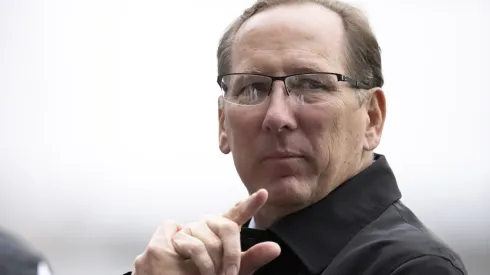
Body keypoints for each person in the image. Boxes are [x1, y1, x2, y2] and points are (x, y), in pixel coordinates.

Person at [125, 0, 468, 274]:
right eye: (253, 88)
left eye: (311, 85)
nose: (276, 117)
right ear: (222, 124)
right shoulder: (206, 265)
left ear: (372, 119)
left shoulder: (413, 266)